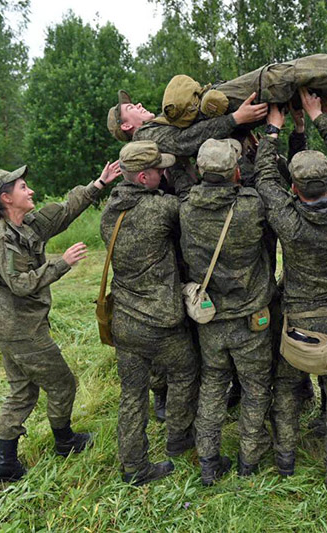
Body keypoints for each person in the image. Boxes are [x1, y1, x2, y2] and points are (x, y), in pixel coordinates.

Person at [0, 161, 122, 483]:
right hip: (22, 332)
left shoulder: (26, 225)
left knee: (22, 393)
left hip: (15, 329)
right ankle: (65, 442)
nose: (31, 191)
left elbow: (64, 211)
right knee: (63, 384)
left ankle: (5, 465)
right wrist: (62, 264)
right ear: (6, 199)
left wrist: (99, 183)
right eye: (23, 188)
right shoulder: (1, 239)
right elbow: (20, 284)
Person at [255, 88, 327, 493]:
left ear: (295, 189)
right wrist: (323, 119)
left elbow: (265, 175)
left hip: (297, 321)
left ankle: (285, 457)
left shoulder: (287, 219)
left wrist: (273, 130)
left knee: (285, 388)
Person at [107, 44, 327, 156]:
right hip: (229, 119)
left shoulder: (155, 127)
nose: (137, 105)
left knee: (310, 87)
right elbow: (187, 142)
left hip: (225, 114)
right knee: (288, 74)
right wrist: (236, 120)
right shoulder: (144, 140)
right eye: (130, 109)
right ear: (127, 126)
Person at [99, 141, 201, 486]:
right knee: (186, 370)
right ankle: (177, 438)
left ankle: (134, 467)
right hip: (160, 321)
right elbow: (190, 206)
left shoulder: (110, 212)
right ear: (143, 177)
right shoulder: (159, 210)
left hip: (125, 321)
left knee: (132, 394)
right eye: (159, 169)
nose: (164, 172)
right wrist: (184, 174)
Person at [177, 138, 277, 485]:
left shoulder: (186, 208)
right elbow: (263, 182)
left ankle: (208, 460)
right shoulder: (250, 206)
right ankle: (249, 458)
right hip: (251, 319)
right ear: (235, 171)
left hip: (210, 318)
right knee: (255, 388)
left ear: (201, 172)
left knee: (213, 385)